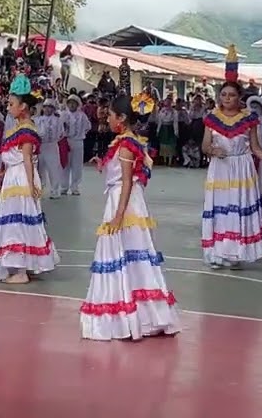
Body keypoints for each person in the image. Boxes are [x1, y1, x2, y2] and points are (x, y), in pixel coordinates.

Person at [80, 94, 181, 341]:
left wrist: (118, 215)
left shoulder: (126, 144)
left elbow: (126, 182)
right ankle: (143, 313)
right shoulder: (126, 142)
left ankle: (127, 314)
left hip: (124, 203)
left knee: (123, 251)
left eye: (112, 115)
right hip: (127, 200)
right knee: (133, 254)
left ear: (122, 118)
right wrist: (104, 166)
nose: (109, 118)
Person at [0, 75, 58, 284]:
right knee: (21, 220)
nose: (8, 107)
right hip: (15, 177)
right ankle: (26, 264)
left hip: (21, 180)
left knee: (18, 221)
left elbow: (28, 160)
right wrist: (5, 173)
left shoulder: (26, 130)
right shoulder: (19, 128)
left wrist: (31, 185)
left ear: (23, 106)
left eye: (11, 104)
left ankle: (21, 269)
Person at [200, 80, 262, 269]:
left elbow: (256, 147)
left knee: (237, 207)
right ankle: (217, 253)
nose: (226, 98)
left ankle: (235, 253)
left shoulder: (248, 119)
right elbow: (205, 146)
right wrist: (212, 151)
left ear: (239, 97)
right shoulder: (212, 118)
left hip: (242, 168)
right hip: (220, 169)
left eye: (231, 95)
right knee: (220, 209)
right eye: (223, 94)